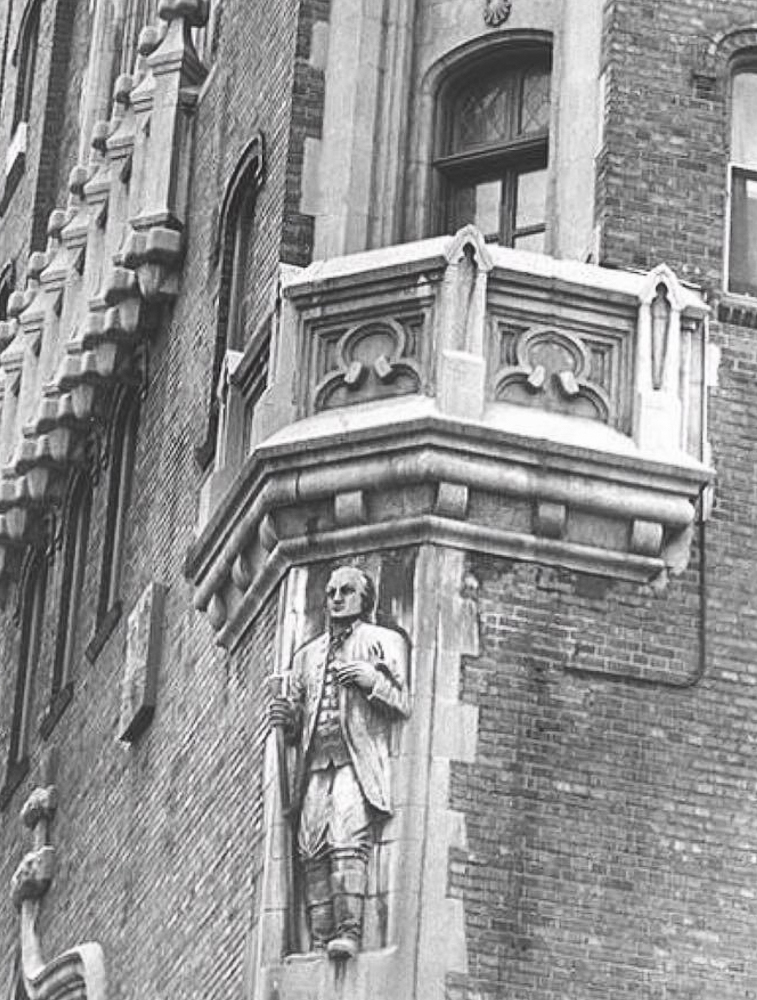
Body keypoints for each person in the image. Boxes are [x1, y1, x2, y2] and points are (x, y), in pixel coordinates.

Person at [270, 565, 410, 960]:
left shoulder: (382, 640)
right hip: (315, 765)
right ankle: (318, 939)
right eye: (330, 591)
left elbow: (402, 701)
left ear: (364, 598)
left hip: (354, 760)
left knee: (346, 840)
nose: (335, 598)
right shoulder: (307, 654)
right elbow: (299, 718)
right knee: (311, 846)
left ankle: (349, 931)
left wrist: (372, 681)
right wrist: (287, 717)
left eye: (346, 590)